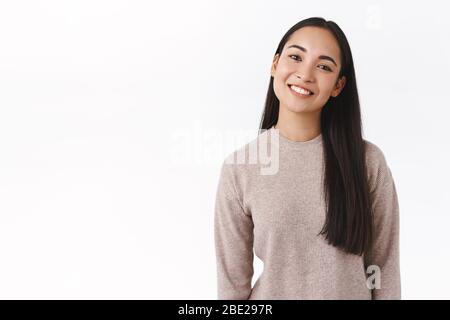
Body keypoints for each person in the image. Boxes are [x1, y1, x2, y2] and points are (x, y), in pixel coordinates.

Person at [214, 17, 401, 300]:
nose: (305, 74)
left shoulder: (367, 162)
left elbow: (383, 270)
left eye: (323, 66)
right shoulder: (239, 169)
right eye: (295, 57)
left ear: (338, 86)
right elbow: (232, 289)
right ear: (275, 64)